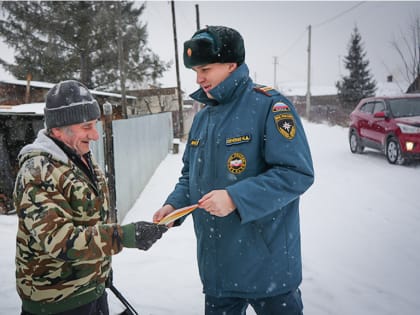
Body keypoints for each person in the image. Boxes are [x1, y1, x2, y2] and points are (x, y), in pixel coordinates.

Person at [153, 26, 314, 315]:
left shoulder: (269, 106)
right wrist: (173, 205)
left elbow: (296, 173)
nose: (199, 78)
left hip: (269, 268)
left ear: (232, 65)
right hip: (218, 269)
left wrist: (235, 198)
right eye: (195, 71)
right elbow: (190, 175)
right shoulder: (203, 118)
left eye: (205, 68)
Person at [13, 80, 168, 315]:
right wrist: (125, 236)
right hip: (58, 303)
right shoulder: (38, 171)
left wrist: (102, 270)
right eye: (87, 127)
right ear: (57, 129)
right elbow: (60, 240)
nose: (95, 135)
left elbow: (93, 217)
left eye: (95, 125)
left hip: (93, 290)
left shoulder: (80, 155)